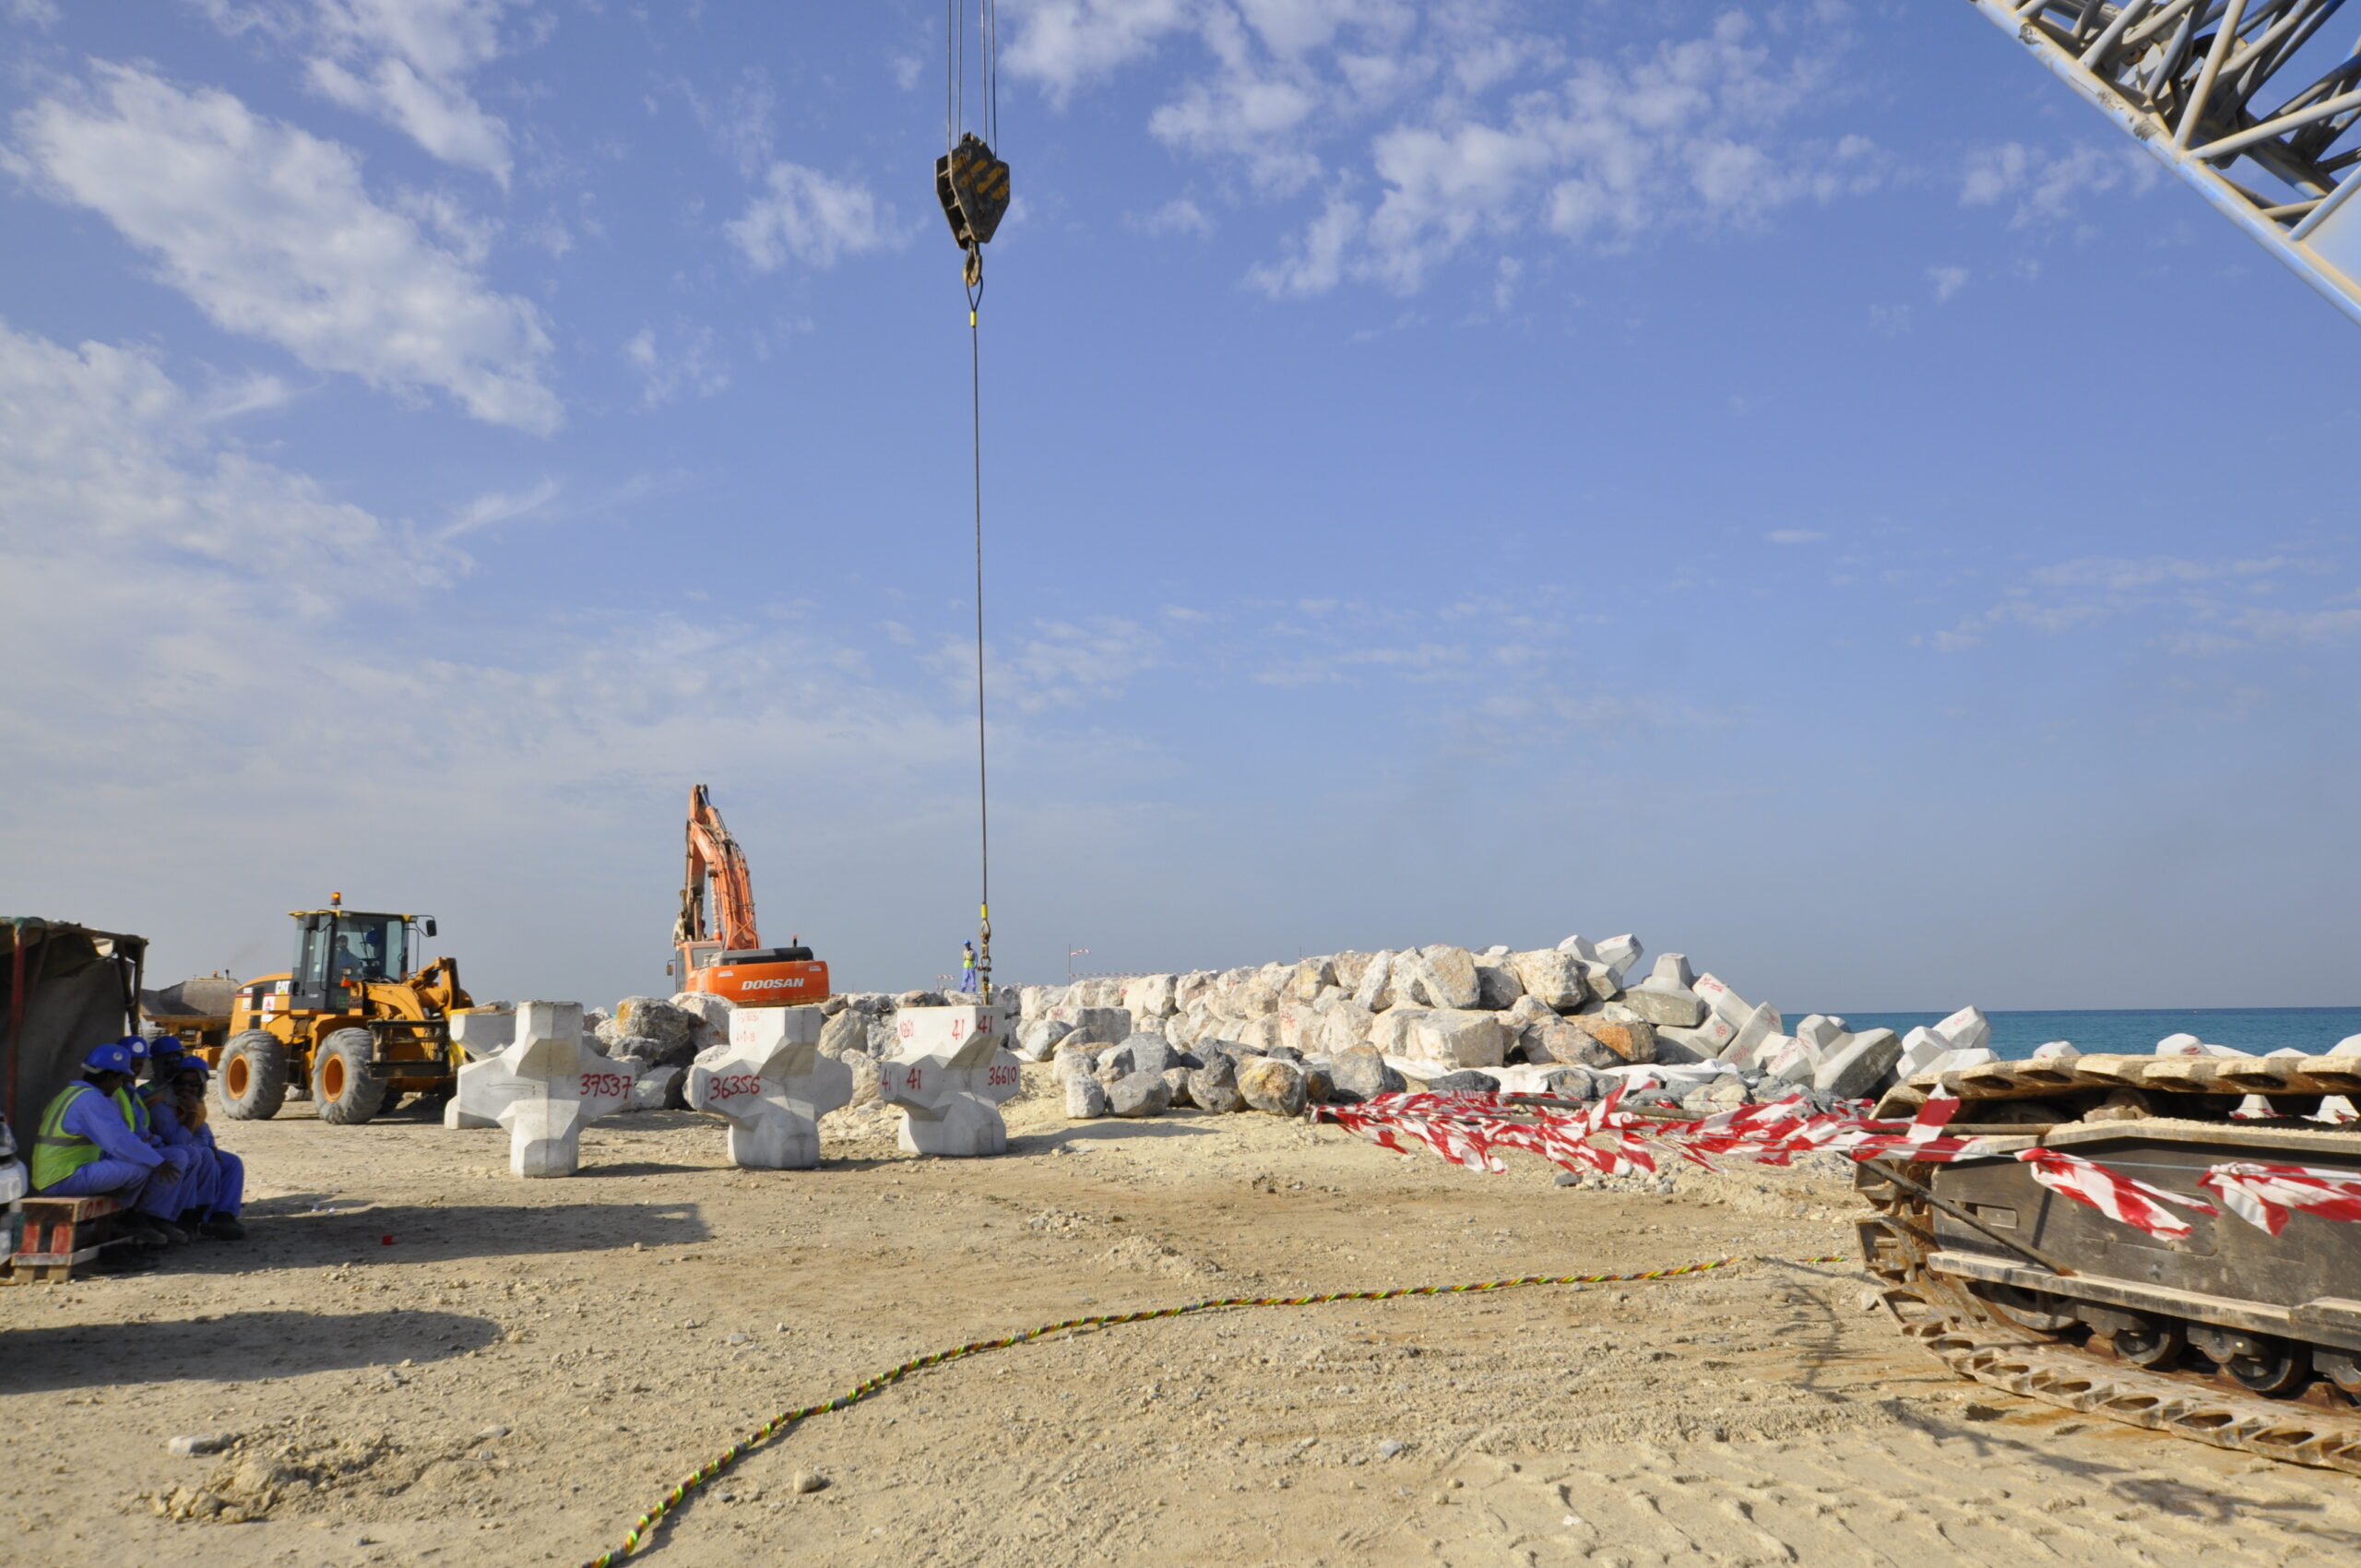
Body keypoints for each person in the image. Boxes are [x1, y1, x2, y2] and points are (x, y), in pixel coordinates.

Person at [30, 1042, 180, 1246]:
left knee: (132, 1163)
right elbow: (119, 1142)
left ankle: (120, 1216)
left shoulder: (72, 1094)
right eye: (120, 1079)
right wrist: (158, 1163)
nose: (121, 1085)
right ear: (110, 1077)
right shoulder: (91, 1100)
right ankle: (126, 1218)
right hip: (64, 1177)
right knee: (141, 1168)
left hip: (55, 1174)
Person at [145, 1056, 244, 1241]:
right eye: (183, 1083)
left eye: (194, 1085)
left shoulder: (195, 1102)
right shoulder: (162, 1105)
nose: (187, 1089)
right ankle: (190, 1218)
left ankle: (222, 1216)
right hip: (168, 1153)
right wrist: (191, 1112)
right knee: (203, 1156)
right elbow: (178, 1140)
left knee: (231, 1163)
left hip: (190, 1149)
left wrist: (203, 1142)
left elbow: (204, 1133)